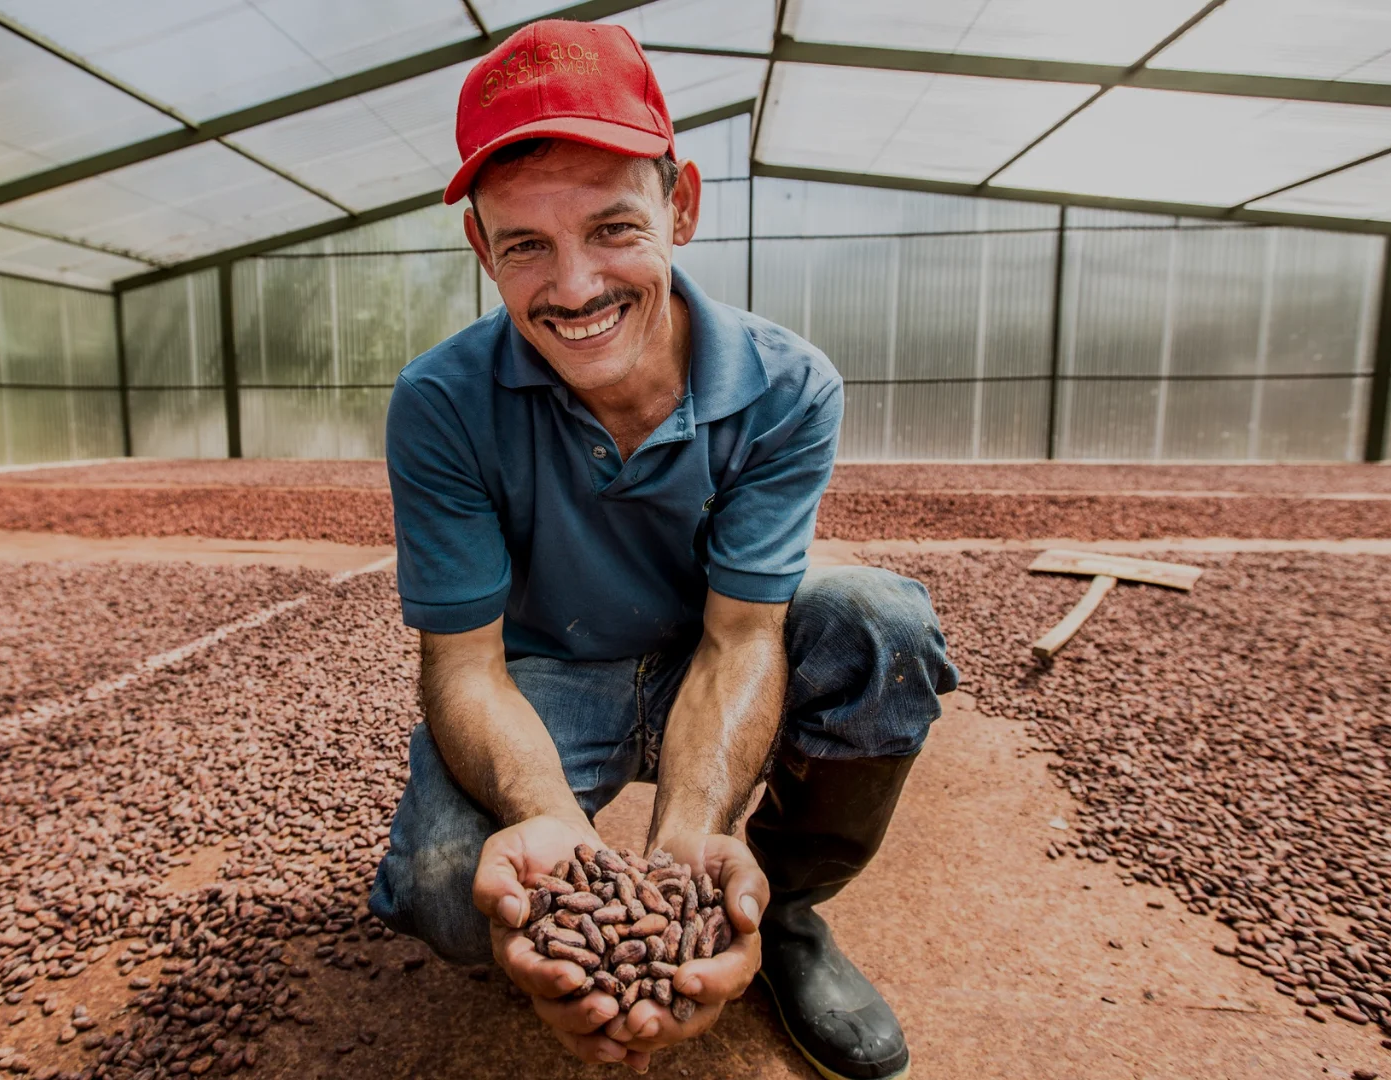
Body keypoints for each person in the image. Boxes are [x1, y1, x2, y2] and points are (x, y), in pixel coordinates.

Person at [367, 18, 958, 1080]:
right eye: (526, 245)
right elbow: (463, 661)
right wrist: (555, 836)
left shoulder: (787, 385)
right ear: (480, 249)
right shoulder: (441, 404)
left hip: (711, 648)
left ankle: (781, 911)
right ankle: (567, 897)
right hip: (555, 672)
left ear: (681, 203)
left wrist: (692, 842)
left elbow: (743, 638)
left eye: (612, 228)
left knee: (881, 627)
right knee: (450, 890)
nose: (577, 287)